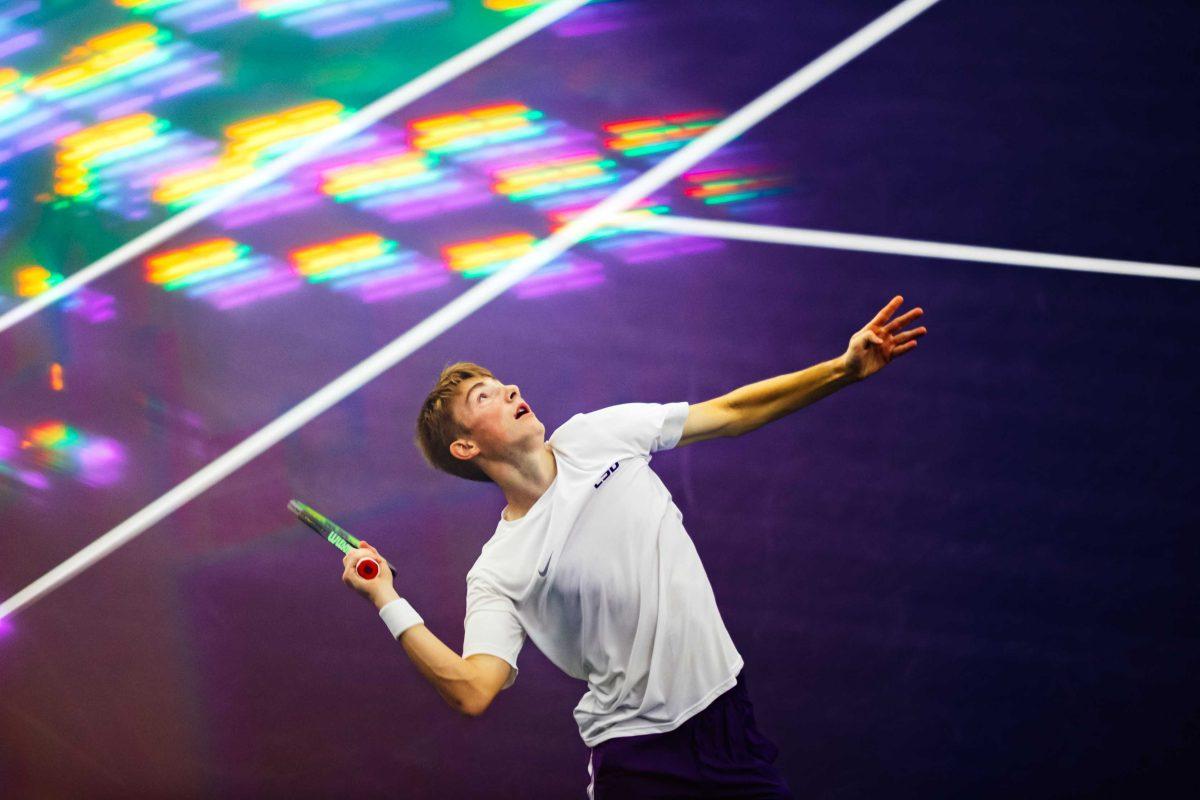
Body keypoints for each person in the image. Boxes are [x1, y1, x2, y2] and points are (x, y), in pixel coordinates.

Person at [342, 295, 927, 798]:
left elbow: (729, 412)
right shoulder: (498, 568)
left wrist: (843, 371)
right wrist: (386, 598)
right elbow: (473, 690)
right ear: (466, 449)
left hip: (727, 717)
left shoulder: (598, 436)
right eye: (485, 398)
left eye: (501, 384)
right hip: (639, 761)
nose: (510, 389)